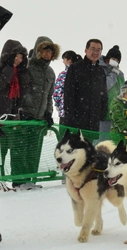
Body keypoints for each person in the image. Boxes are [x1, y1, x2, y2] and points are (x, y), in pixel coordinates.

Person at [19, 36, 60, 189]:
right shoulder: (28, 66)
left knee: (34, 152)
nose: (47, 54)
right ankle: (19, 181)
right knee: (21, 150)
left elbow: (49, 96)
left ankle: (31, 180)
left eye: (50, 52)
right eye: (45, 51)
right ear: (38, 50)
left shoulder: (50, 73)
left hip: (39, 120)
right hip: (25, 117)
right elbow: (22, 91)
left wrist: (48, 113)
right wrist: (22, 109)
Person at [63, 39, 108, 139]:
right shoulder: (75, 68)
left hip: (93, 122)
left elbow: (104, 95)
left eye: (98, 50)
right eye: (92, 49)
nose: (95, 52)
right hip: (77, 121)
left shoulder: (100, 72)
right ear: (86, 50)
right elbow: (68, 94)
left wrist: (102, 113)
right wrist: (70, 116)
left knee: (88, 152)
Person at [0, 39, 29, 188]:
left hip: (12, 118)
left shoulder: (19, 74)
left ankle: (18, 181)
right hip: (1, 117)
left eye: (21, 57)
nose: (19, 59)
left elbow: (19, 97)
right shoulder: (4, 70)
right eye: (16, 56)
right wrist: (8, 69)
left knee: (15, 150)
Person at [98, 45, 125, 141]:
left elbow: (122, 91)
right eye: (113, 59)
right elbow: (104, 87)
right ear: (107, 58)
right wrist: (113, 74)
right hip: (103, 114)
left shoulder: (120, 74)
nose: (115, 62)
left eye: (117, 61)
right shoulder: (99, 68)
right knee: (101, 144)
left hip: (116, 115)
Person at [53, 50, 82, 125]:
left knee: (64, 135)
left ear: (69, 60)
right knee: (76, 135)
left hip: (65, 110)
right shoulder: (81, 74)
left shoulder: (64, 74)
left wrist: (58, 104)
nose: (63, 62)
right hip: (79, 112)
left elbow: (57, 92)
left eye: (64, 59)